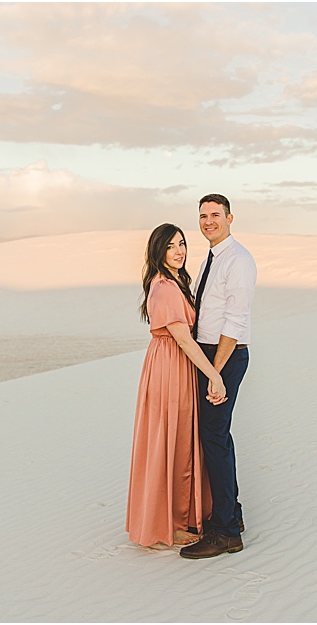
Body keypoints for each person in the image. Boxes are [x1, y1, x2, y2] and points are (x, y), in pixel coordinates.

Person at [126, 223, 227, 548]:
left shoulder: (176, 281)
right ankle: (169, 523)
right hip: (171, 367)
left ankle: (179, 516)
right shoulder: (166, 287)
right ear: (159, 251)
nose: (179, 251)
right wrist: (214, 373)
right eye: (171, 246)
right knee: (173, 440)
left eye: (182, 243)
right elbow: (182, 339)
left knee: (180, 439)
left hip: (174, 365)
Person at [180, 193, 258, 559]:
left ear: (230, 218)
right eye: (203, 215)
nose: (208, 221)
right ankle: (232, 515)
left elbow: (235, 321)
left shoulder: (238, 261)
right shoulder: (210, 259)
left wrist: (215, 372)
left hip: (223, 356)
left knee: (213, 439)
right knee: (217, 438)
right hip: (209, 355)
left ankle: (225, 532)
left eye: (215, 215)